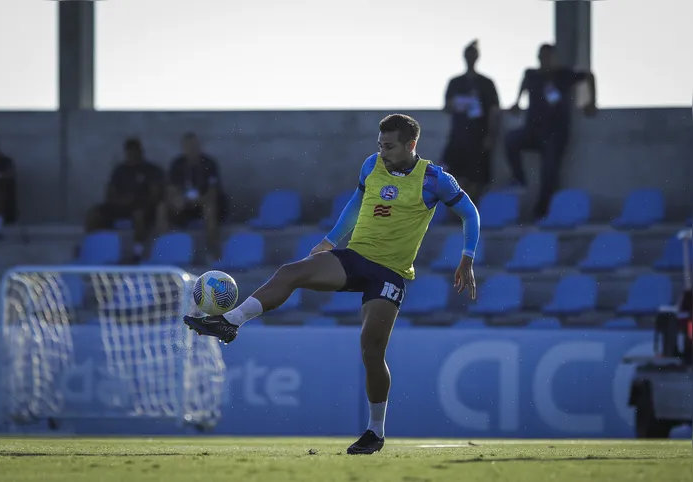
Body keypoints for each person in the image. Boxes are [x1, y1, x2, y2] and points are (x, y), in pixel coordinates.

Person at [184, 114, 481, 455]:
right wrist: (329, 240)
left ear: (411, 145)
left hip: (390, 273)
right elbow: (356, 204)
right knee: (291, 272)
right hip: (354, 258)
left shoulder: (434, 178)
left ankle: (375, 431)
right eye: (379, 145)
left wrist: (467, 257)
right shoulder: (372, 165)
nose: (382, 151)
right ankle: (230, 321)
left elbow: (469, 213)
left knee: (372, 350)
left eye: (390, 146)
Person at [505, 43, 597, 219]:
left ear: (554, 58)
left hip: (555, 133)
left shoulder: (563, 74)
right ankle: (519, 178)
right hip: (532, 130)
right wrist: (516, 102)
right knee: (511, 139)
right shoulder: (531, 74)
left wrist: (591, 102)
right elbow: (524, 85)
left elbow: (589, 76)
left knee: (549, 171)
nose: (545, 61)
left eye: (548, 57)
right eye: (542, 57)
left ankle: (542, 211)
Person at [85, 138, 164, 261]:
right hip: (119, 207)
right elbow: (109, 193)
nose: (132, 154)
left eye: (135, 151)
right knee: (93, 214)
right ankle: (91, 248)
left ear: (141, 151)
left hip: (141, 208)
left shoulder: (150, 170)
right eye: (129, 152)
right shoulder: (119, 170)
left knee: (139, 215)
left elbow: (155, 195)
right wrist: (122, 200)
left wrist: (136, 200)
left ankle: (137, 251)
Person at [441, 40, 500, 203]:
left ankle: (471, 213)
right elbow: (446, 107)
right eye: (468, 55)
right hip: (458, 137)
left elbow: (494, 112)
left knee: (477, 178)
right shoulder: (455, 82)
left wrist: (491, 136)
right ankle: (456, 215)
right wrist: (458, 103)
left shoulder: (486, 83)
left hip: (478, 137)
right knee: (453, 176)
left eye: (473, 55)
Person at [158, 132, 224, 262]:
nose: (191, 149)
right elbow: (171, 189)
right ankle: (164, 252)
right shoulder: (177, 164)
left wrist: (198, 200)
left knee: (210, 209)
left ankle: (212, 253)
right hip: (183, 205)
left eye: (194, 145)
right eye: (188, 146)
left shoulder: (209, 164)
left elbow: (213, 192)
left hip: (202, 204)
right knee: (161, 208)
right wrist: (178, 199)